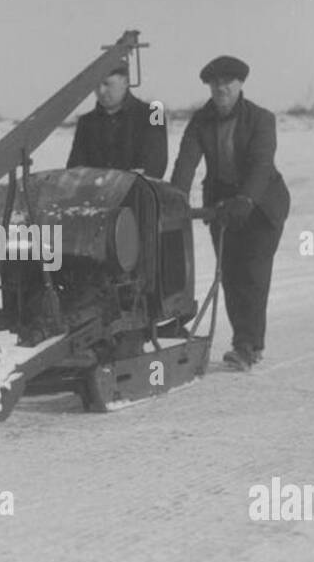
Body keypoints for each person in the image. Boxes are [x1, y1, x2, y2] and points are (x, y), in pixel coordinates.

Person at [170, 56, 290, 371]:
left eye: (228, 82)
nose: (221, 88)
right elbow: (186, 161)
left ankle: (248, 345)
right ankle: (245, 340)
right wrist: (174, 198)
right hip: (222, 206)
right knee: (230, 274)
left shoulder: (261, 119)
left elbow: (261, 165)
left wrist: (246, 199)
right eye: (215, 83)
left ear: (240, 85)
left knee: (252, 272)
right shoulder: (201, 121)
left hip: (262, 205)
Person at [66, 63, 167, 177]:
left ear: (125, 82)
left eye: (106, 84)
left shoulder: (153, 113)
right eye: (97, 85)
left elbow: (155, 166)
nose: (101, 91)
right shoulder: (86, 122)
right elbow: (74, 171)